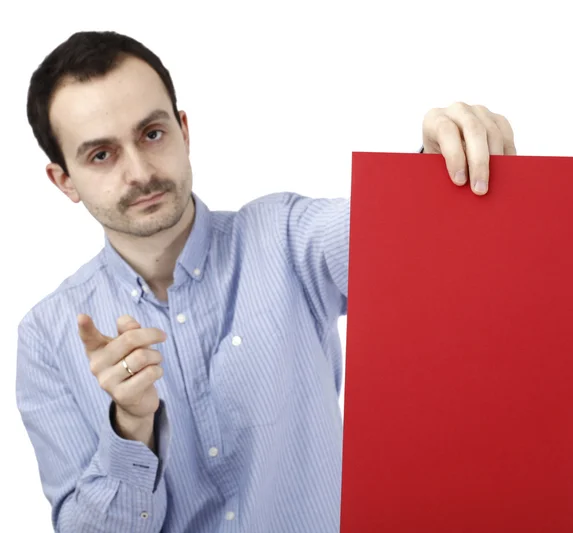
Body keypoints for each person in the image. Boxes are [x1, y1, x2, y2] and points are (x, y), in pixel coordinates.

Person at [16, 30, 517, 533]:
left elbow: (412, 245)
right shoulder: (46, 337)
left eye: (151, 133)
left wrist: (433, 168)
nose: (140, 172)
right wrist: (130, 426)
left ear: (184, 131)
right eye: (101, 155)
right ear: (64, 180)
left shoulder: (285, 236)